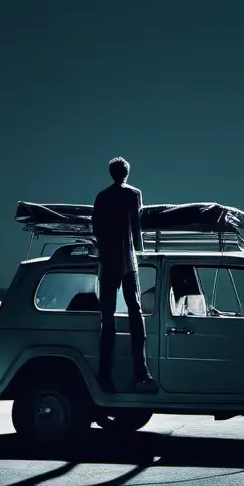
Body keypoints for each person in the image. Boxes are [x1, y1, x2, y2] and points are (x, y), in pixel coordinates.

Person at [92, 157, 156, 393]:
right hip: (128, 260)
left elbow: (96, 228)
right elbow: (136, 227)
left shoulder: (101, 196)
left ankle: (104, 375)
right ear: (126, 173)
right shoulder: (133, 193)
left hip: (107, 260)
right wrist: (141, 251)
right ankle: (141, 372)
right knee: (135, 314)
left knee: (106, 320)